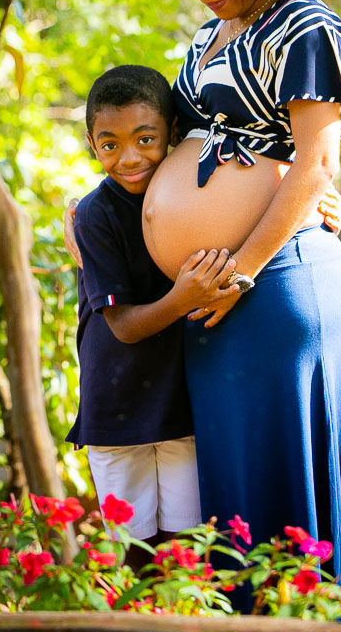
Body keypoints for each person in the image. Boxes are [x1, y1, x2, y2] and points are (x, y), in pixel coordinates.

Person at [138, 0, 341, 589]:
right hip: (216, 297)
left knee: (282, 500)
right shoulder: (214, 33)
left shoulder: (303, 24)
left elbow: (314, 164)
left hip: (274, 285)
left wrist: (240, 268)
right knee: (237, 500)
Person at [65, 64, 241, 565]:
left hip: (181, 405)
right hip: (116, 408)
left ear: (174, 133)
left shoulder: (193, 196)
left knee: (188, 549)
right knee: (135, 551)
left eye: (146, 138)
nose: (130, 157)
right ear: (91, 145)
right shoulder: (95, 217)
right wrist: (182, 298)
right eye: (110, 144)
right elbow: (120, 326)